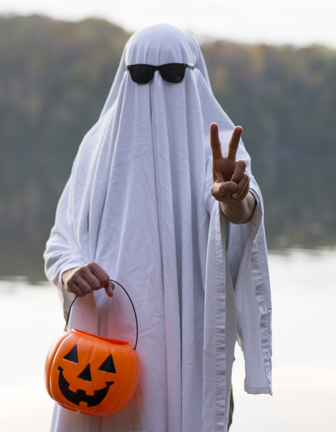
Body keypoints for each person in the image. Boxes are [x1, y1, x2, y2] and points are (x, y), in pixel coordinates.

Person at [44, 24, 273, 432]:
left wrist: (233, 198)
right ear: (123, 75)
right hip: (103, 353)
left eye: (170, 75)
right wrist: (70, 270)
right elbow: (61, 241)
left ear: (193, 76)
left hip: (189, 344)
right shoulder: (96, 149)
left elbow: (243, 212)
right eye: (141, 75)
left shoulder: (216, 150)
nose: (154, 88)